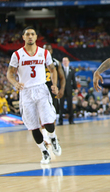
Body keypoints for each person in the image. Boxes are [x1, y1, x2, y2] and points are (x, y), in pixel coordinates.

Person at [6, 26, 62, 164]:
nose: (30, 36)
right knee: (33, 126)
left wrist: (54, 84)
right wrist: (15, 83)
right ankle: (44, 152)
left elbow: (53, 70)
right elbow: (9, 73)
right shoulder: (17, 54)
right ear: (23, 37)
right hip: (26, 92)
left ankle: (53, 138)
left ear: (36, 37)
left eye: (32, 34)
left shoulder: (44, 53)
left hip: (41, 89)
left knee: (48, 121)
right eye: (27, 34)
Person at [42, 43, 66, 140]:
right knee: (42, 113)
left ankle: (53, 135)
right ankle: (44, 136)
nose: (47, 51)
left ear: (51, 51)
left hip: (53, 89)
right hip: (42, 89)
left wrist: (62, 89)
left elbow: (62, 78)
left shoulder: (56, 62)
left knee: (53, 113)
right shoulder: (38, 61)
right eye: (45, 50)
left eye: (48, 49)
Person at [59, 57, 77, 125]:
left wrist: (75, 88)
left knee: (70, 105)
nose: (65, 62)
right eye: (63, 61)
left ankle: (71, 120)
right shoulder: (60, 70)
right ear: (62, 62)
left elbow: (73, 80)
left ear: (69, 62)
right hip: (61, 90)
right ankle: (60, 121)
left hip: (69, 90)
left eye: (66, 61)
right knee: (61, 105)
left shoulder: (71, 70)